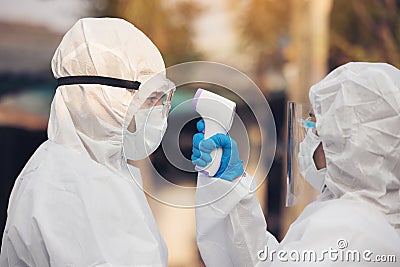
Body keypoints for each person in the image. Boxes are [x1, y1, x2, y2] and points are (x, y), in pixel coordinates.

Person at [0, 18, 175, 266]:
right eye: (149, 98)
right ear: (99, 97)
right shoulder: (67, 188)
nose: (156, 110)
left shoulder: (97, 171)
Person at [192, 62, 400, 266]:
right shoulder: (373, 224)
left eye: (314, 123)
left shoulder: (349, 228)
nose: (309, 135)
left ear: (348, 140)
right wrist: (230, 184)